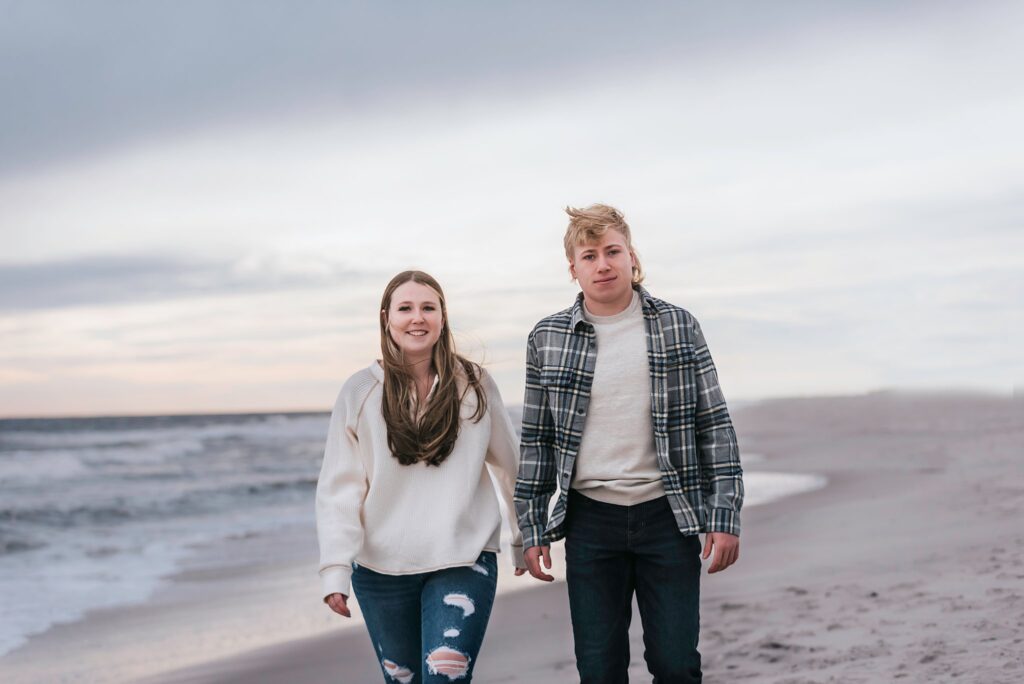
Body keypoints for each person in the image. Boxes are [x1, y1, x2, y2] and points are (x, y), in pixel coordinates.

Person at [514, 205, 744, 683]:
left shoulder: (678, 326)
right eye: (590, 255)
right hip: (590, 520)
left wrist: (724, 515)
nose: (603, 264)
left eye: (612, 251)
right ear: (573, 269)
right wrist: (532, 526)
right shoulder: (547, 338)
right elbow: (537, 440)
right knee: (599, 668)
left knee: (677, 664)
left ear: (631, 256)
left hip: (669, 514)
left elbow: (714, 424)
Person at [316, 270, 526, 683]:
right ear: (386, 318)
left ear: (442, 317)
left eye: (428, 307)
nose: (418, 318)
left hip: (463, 559)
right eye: (405, 308)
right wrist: (335, 568)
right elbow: (340, 489)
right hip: (381, 571)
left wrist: (522, 538)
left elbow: (510, 466)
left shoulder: (475, 385)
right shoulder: (359, 392)